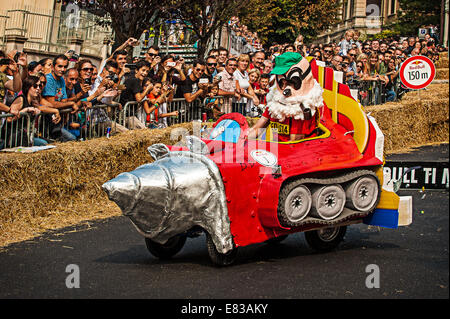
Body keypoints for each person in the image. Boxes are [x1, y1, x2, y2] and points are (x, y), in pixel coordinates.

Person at [246, 52, 321, 142]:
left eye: (290, 82)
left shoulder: (303, 107)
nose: (285, 87)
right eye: (281, 82)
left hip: (299, 152)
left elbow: (295, 141)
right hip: (279, 150)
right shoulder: (275, 102)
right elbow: (257, 129)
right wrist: (242, 142)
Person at [1, 76, 47, 148]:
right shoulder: (21, 99)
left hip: (24, 137)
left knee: (46, 143)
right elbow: (9, 119)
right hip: (12, 138)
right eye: (35, 86)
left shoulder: (32, 102)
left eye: (40, 86)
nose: (38, 88)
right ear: (28, 87)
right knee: (43, 143)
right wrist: (25, 110)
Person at [41, 54, 77, 141]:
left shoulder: (61, 79)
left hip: (56, 120)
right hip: (45, 120)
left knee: (71, 139)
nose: (62, 70)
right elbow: (52, 103)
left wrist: (65, 104)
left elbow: (64, 101)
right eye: (60, 66)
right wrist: (71, 103)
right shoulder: (49, 79)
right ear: (53, 67)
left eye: (65, 67)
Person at [119, 60, 153, 129]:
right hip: (127, 115)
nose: (145, 73)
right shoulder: (135, 80)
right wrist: (147, 89)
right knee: (143, 131)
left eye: (147, 71)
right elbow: (139, 98)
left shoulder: (132, 79)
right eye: (143, 70)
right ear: (137, 70)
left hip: (127, 114)